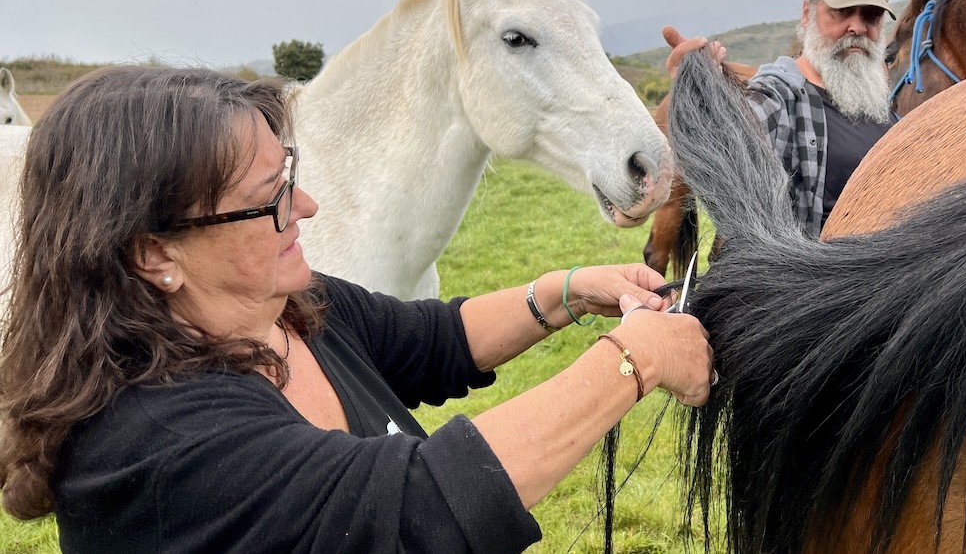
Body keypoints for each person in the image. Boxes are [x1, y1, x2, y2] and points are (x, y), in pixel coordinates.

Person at [0, 67, 714, 553]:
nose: (303, 206)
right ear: (155, 252)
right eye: (269, 194)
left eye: (292, 176)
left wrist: (564, 289)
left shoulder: (284, 312)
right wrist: (635, 357)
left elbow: (435, 338)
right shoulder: (160, 442)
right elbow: (420, 509)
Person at [666, 0, 897, 237]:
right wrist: (699, 100)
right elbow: (744, 128)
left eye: (872, 16)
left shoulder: (881, 105)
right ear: (806, 14)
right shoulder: (783, 94)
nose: (857, 27)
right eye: (841, 11)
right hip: (817, 277)